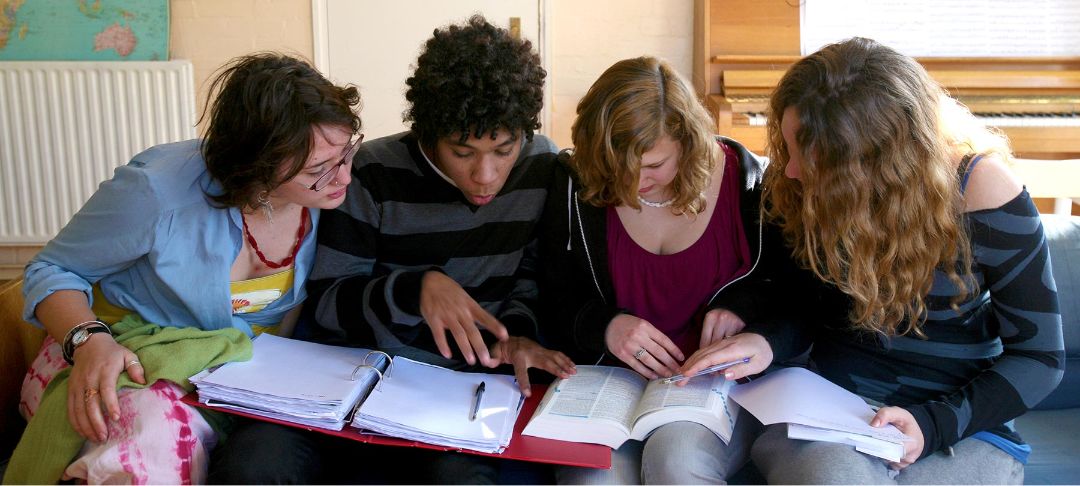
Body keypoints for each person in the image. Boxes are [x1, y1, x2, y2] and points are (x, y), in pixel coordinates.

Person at [679, 37, 1065, 484]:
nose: (790, 171)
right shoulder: (799, 186)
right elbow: (800, 303)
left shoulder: (983, 191)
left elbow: (1040, 358)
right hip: (829, 413)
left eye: (812, 157)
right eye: (789, 147)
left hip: (961, 421)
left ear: (875, 160)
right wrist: (767, 340)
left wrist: (931, 425)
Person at [210, 16, 576, 484]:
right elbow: (326, 302)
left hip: (457, 394)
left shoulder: (540, 166)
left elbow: (530, 272)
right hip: (350, 379)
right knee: (255, 464)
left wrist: (519, 333)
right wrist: (414, 289)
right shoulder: (370, 172)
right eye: (462, 153)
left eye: (504, 149)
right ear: (427, 133)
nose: (486, 174)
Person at [7, 52, 361, 484]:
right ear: (256, 164)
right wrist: (88, 342)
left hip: (237, 378)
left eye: (346, 155)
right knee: (156, 440)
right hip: (116, 353)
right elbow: (51, 269)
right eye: (319, 170)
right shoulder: (156, 190)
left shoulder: (332, 199)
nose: (344, 177)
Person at [538, 56, 770, 484]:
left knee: (675, 465)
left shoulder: (749, 184)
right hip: (608, 387)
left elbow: (788, 291)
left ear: (689, 141)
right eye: (616, 166)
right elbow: (553, 292)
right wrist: (604, 326)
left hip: (713, 387)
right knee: (594, 482)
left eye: (653, 166)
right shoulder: (573, 180)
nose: (631, 183)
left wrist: (743, 307)